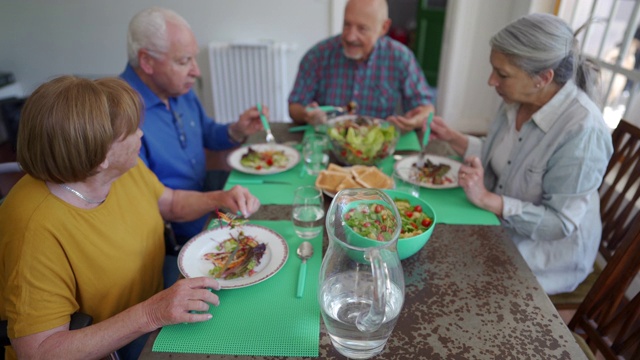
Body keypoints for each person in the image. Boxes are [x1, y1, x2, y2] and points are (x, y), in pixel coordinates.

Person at [0, 76, 261, 360]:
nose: (141, 135)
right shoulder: (33, 227)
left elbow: (170, 202)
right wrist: (150, 313)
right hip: (114, 342)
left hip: (159, 289)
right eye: (132, 131)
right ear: (100, 155)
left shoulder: (121, 168)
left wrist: (218, 198)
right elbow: (39, 351)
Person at [429, 13, 613, 295]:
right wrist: (454, 138)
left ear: (543, 78)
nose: (492, 81)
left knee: (448, 279)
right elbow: (506, 156)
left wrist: (487, 199)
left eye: (502, 74)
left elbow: (558, 224)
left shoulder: (583, 131)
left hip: (545, 257)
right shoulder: (517, 100)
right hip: (500, 229)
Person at [121, 7, 266, 243]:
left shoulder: (177, 88)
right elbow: (158, 204)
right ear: (147, 61)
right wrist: (216, 199)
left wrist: (235, 130)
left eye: (193, 58)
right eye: (183, 61)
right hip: (173, 232)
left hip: (206, 196)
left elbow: (207, 133)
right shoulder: (121, 115)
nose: (196, 71)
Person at [288, 0, 434, 132]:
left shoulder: (401, 57)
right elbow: (294, 106)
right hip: (328, 142)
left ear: (384, 27)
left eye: (362, 28)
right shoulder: (317, 55)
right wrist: (306, 115)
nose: (350, 37)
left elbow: (426, 108)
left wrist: (413, 121)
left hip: (377, 146)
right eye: (347, 24)